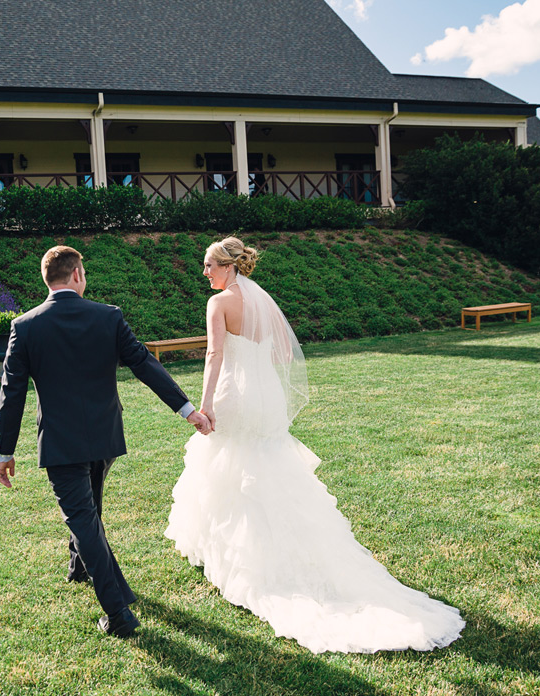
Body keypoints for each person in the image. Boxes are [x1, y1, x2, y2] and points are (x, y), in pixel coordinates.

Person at [164, 237, 465, 654]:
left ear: (227, 266)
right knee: (262, 462)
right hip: (265, 396)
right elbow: (284, 351)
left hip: (236, 394)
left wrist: (207, 404)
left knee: (231, 465)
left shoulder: (220, 305)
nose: (205, 273)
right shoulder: (261, 300)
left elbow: (215, 354)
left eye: (208, 265)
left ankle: (243, 556)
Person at [0, 245, 213, 638]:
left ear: (49, 279)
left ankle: (118, 615)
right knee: (89, 512)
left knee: (82, 516)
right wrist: (186, 409)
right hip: (106, 434)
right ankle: (82, 565)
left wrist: (4, 451)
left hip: (61, 442)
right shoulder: (108, 316)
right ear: (77, 275)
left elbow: (13, 393)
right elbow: (144, 363)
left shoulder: (25, 326)